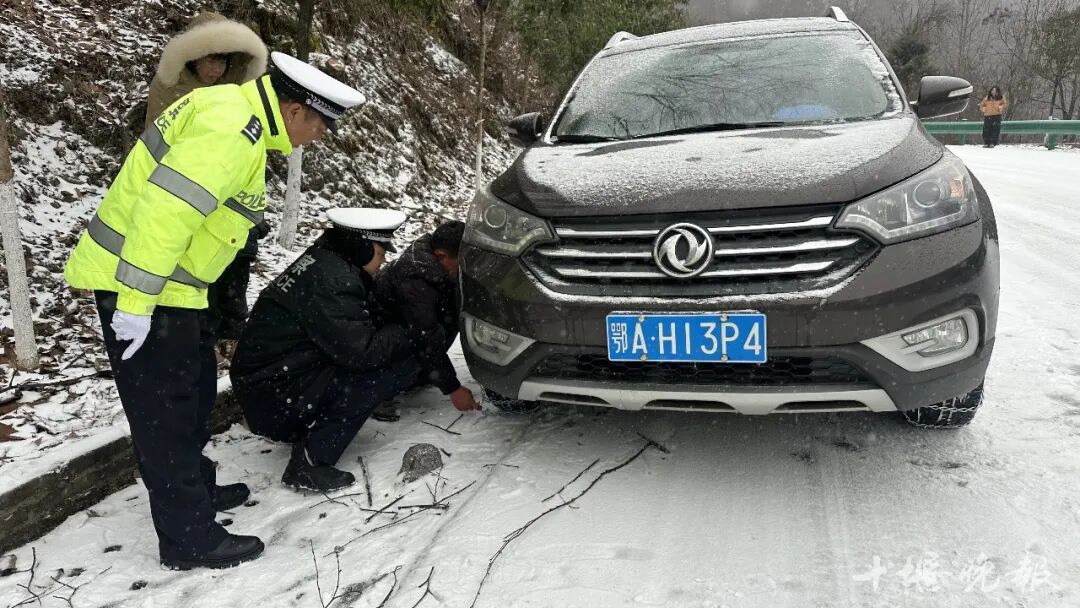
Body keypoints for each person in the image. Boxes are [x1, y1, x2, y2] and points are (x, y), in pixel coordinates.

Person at [64, 52, 366, 570]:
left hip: (175, 290)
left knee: (195, 393)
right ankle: (189, 539)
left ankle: (196, 492)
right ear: (293, 110)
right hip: (145, 289)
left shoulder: (232, 114)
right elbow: (167, 211)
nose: (315, 138)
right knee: (167, 416)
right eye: (317, 124)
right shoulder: (231, 129)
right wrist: (136, 302)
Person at [230, 208, 423, 493]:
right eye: (381, 253)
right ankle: (309, 464)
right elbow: (362, 353)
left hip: (268, 380)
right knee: (379, 373)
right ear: (362, 246)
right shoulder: (334, 282)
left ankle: (308, 427)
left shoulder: (325, 262)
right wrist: (406, 328)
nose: (383, 262)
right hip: (272, 392)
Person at [144, 12, 271, 359]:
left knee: (238, 252)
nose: (216, 69)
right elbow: (158, 138)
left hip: (228, 181)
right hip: (185, 180)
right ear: (194, 56)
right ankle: (198, 331)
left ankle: (229, 328)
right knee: (192, 261)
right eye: (210, 59)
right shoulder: (170, 86)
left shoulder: (236, 88)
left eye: (223, 60)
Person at [371, 220, 481, 421]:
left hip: (403, 330)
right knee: (422, 338)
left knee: (448, 320)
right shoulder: (415, 280)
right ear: (442, 256)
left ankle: (419, 375)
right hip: (379, 341)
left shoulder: (437, 268)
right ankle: (375, 393)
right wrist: (453, 388)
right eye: (462, 263)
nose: (465, 269)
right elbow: (425, 337)